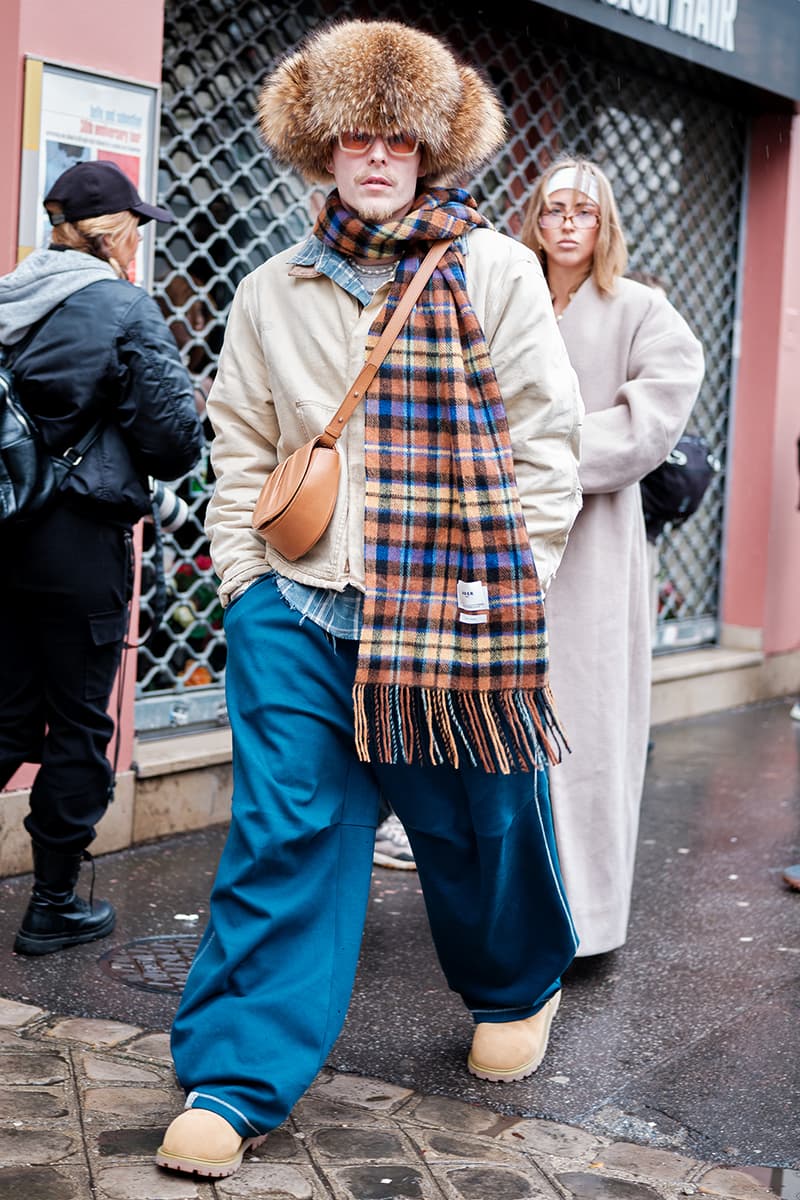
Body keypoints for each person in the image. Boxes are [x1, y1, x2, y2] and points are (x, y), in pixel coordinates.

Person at [156, 19, 583, 1181]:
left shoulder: (492, 270)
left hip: (454, 608)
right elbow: (242, 445)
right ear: (323, 147)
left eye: (399, 138)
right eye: (357, 137)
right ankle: (236, 1076)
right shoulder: (272, 289)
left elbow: (545, 443)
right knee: (282, 838)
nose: (378, 157)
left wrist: (512, 585)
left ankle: (514, 983)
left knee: (479, 824)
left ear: (431, 148)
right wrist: (245, 587)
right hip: (300, 611)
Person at [0, 161, 204, 955]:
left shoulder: (8, 297)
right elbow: (174, 442)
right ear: (114, 234)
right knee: (81, 718)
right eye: (135, 229)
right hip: (80, 540)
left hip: (7, 531)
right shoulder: (124, 307)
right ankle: (53, 904)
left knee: (9, 711)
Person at [520, 157, 705, 958]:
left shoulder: (640, 308)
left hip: (594, 545)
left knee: (589, 727)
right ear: (535, 219)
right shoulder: (509, 301)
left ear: (605, 225)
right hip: (501, 541)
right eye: (554, 208)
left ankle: (586, 922)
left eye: (583, 211)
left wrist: (539, 451)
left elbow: (653, 417)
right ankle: (513, 915)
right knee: (504, 728)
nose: (567, 223)